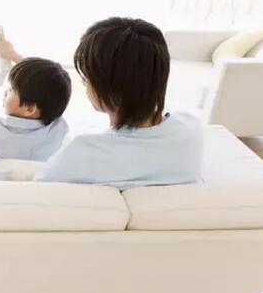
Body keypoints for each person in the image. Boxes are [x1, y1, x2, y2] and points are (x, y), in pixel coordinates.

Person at [34, 17, 202, 188]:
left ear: (110, 86)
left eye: (87, 77)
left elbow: (38, 187)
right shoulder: (190, 129)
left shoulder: (81, 153)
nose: (85, 83)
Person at [0, 54, 71, 164]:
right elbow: (44, 86)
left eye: (10, 90)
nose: (5, 92)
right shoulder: (59, 128)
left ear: (29, 109)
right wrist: (12, 54)